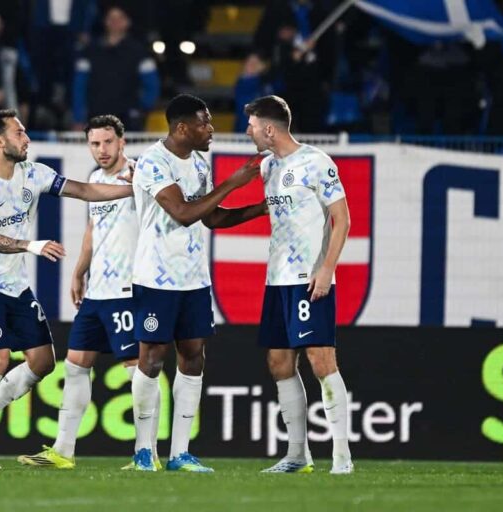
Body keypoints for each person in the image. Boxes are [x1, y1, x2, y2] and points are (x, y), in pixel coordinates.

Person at [0, 109, 134, 470]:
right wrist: (31, 246)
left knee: (42, 361)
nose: (27, 138)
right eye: (19, 133)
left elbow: (85, 190)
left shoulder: (34, 173)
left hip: (16, 284)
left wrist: (134, 189)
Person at [17, 114, 162, 470]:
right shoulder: (96, 179)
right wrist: (79, 272)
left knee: (138, 370)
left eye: (108, 142)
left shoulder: (142, 175)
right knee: (76, 365)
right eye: (94, 143)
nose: (101, 149)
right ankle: (63, 451)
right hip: (97, 291)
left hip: (129, 289)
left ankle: (147, 453)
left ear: (122, 141)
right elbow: (93, 230)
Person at [129, 94, 266, 472]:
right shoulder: (153, 162)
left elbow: (212, 218)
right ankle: (143, 451)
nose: (211, 129)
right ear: (181, 127)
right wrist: (234, 183)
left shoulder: (200, 164)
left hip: (193, 279)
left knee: (193, 356)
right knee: (151, 358)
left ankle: (179, 453)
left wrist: (260, 209)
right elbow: (183, 212)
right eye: (204, 122)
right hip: (155, 277)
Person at [243, 95, 353, 474]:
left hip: (309, 278)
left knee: (321, 361)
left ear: (269, 129)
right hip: (277, 280)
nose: (248, 132)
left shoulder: (317, 162)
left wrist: (327, 268)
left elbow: (342, 219)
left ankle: (342, 457)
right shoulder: (267, 166)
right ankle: (297, 455)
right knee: (278, 362)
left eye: (252, 126)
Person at [72, 5, 159, 131]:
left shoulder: (139, 52)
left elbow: (152, 85)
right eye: (111, 18)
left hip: (128, 122)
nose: (115, 22)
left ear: (128, 22)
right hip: (96, 118)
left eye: (120, 18)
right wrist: (78, 118)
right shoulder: (90, 51)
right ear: (105, 21)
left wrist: (140, 110)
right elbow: (79, 86)